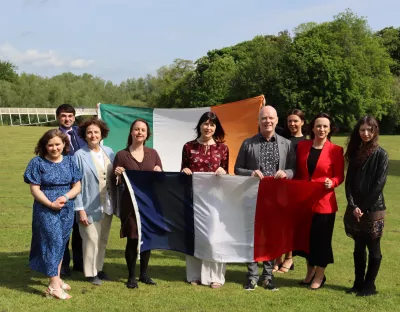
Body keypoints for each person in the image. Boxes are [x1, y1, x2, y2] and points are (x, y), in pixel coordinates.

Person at [234, 105, 296, 291]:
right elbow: (237, 169)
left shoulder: (287, 144)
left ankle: (267, 276)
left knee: (270, 237)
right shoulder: (248, 143)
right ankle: (252, 275)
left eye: (271, 118)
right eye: (264, 118)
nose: (267, 121)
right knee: (252, 237)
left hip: (276, 199)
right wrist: (251, 173)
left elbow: (294, 169)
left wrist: (286, 173)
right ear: (258, 121)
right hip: (252, 197)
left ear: (277, 120)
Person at [23, 129, 82, 299]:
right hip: (45, 209)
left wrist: (65, 197)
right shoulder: (37, 163)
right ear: (45, 146)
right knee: (52, 242)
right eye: (50, 145)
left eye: (58, 144)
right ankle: (55, 287)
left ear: (64, 144)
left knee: (62, 243)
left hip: (66, 207)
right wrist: (50, 203)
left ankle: (56, 278)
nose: (54, 148)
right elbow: (34, 189)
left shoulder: (70, 161)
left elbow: (77, 186)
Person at [295, 112, 344, 290]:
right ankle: (309, 272)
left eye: (325, 126)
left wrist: (333, 182)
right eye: (318, 125)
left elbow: (339, 175)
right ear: (312, 128)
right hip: (305, 202)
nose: (321, 129)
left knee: (321, 241)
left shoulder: (336, 150)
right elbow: (299, 173)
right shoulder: (302, 147)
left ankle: (320, 275)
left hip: (325, 203)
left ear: (330, 129)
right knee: (307, 240)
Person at [181, 112, 229, 289]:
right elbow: (183, 170)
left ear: (216, 128)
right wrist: (185, 171)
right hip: (192, 199)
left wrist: (223, 172)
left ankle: (216, 276)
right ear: (200, 125)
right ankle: (194, 274)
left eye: (212, 125)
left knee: (214, 238)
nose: (208, 127)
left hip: (215, 201)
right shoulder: (188, 147)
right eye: (205, 124)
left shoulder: (223, 149)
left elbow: (226, 174)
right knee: (194, 236)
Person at [114, 118, 162, 289]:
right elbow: (116, 182)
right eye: (136, 129)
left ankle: (144, 274)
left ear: (147, 134)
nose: (139, 132)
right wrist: (118, 174)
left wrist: (158, 171)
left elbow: (160, 181)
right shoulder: (121, 155)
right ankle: (131, 276)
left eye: (143, 129)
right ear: (131, 132)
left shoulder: (153, 154)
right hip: (130, 205)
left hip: (149, 205)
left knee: (146, 239)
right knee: (133, 239)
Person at [343, 116, 388, 296]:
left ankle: (370, 286)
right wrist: (353, 205)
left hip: (373, 209)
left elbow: (379, 184)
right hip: (356, 209)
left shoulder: (381, 154)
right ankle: (358, 283)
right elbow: (349, 183)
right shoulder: (355, 153)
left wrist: (363, 206)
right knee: (358, 248)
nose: (366, 133)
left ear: (375, 130)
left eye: (369, 129)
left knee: (374, 248)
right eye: (362, 130)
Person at [73, 117, 115, 285]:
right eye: (89, 132)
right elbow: (75, 184)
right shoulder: (79, 155)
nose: (93, 135)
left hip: (108, 204)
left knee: (102, 239)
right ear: (84, 135)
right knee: (91, 238)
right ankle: (90, 273)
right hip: (88, 205)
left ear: (101, 133)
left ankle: (99, 268)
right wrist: (80, 209)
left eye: (96, 132)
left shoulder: (109, 151)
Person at [275, 109, 306, 273]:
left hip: (297, 187)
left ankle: (289, 258)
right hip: (281, 187)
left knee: (290, 226)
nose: (292, 124)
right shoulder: (281, 139)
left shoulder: (307, 142)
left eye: (295, 121)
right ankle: (277, 257)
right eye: (289, 121)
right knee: (279, 224)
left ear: (302, 122)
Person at [56, 104, 86, 276]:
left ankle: (80, 263)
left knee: (79, 227)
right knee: (64, 227)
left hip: (82, 186)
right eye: (63, 116)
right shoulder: (54, 136)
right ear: (58, 118)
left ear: (74, 117)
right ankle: (64, 265)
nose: (67, 119)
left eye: (70, 116)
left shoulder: (81, 134)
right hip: (63, 187)